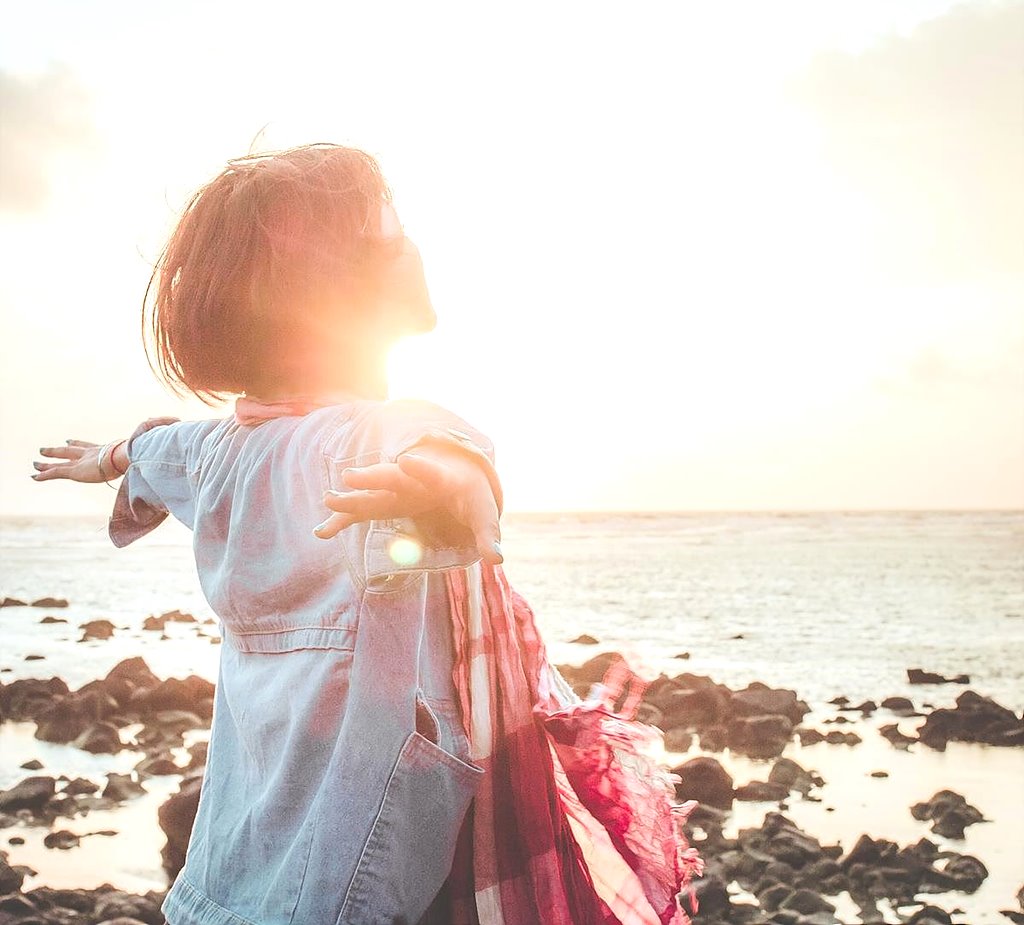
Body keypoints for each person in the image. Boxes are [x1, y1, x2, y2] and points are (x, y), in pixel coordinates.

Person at [33, 144, 699, 925]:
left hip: (238, 862)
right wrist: (439, 488)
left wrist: (108, 457)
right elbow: (453, 461)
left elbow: (157, 449)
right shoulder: (381, 434)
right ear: (331, 288)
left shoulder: (220, 451)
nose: (412, 243)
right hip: (366, 869)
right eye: (391, 232)